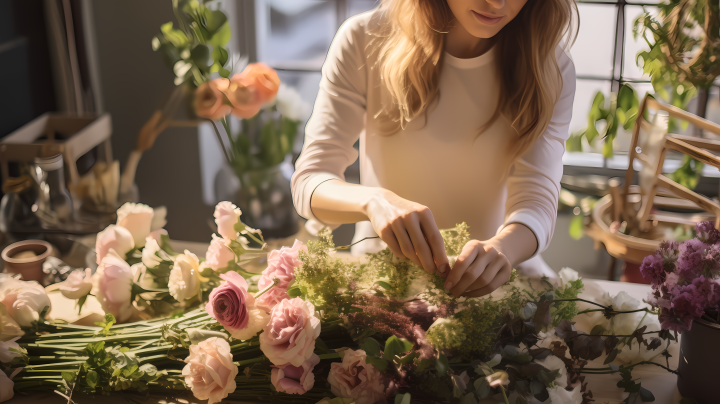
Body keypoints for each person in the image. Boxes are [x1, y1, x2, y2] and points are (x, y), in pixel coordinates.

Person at [291, 0, 578, 297]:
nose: (496, 3)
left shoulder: (551, 67)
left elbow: (537, 199)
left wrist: (503, 248)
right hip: (384, 283)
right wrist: (375, 201)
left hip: (495, 287)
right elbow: (310, 180)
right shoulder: (363, 38)